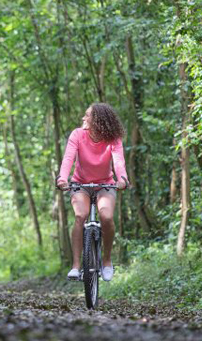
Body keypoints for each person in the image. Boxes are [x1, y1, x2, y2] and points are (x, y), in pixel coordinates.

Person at [56, 103, 128, 282]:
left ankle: (107, 261)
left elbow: (118, 162)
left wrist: (122, 179)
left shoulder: (113, 138)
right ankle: (75, 266)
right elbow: (68, 158)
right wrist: (62, 178)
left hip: (105, 184)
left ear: (98, 120)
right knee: (80, 215)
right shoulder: (77, 135)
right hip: (81, 183)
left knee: (107, 217)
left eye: (87, 115)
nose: (83, 118)